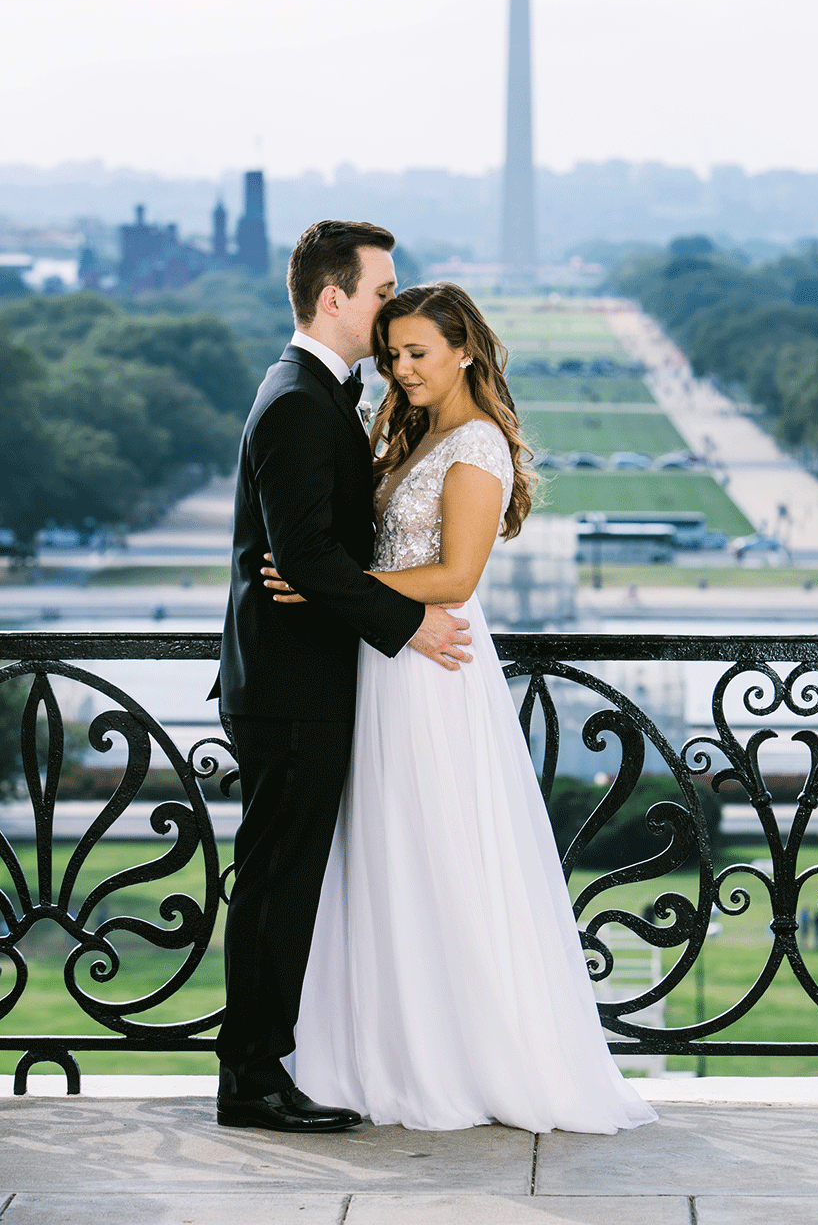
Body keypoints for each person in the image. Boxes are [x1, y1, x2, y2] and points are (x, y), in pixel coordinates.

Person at [264, 282, 657, 1134]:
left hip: (431, 670)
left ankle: (463, 1058)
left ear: (465, 351)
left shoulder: (474, 443)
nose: (401, 369)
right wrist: (345, 598)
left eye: (419, 354)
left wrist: (330, 588)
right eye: (393, 353)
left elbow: (456, 580)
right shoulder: (424, 432)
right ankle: (392, 1047)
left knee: (438, 848)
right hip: (392, 659)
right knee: (389, 851)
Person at [213, 222, 474, 1134]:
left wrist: (326, 571)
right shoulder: (295, 399)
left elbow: (316, 560)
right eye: (380, 289)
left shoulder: (312, 392)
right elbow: (306, 558)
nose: (390, 303)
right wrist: (409, 622)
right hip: (290, 689)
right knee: (280, 885)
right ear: (334, 297)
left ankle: (263, 1068)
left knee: (284, 883)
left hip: (300, 680)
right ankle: (251, 1078)